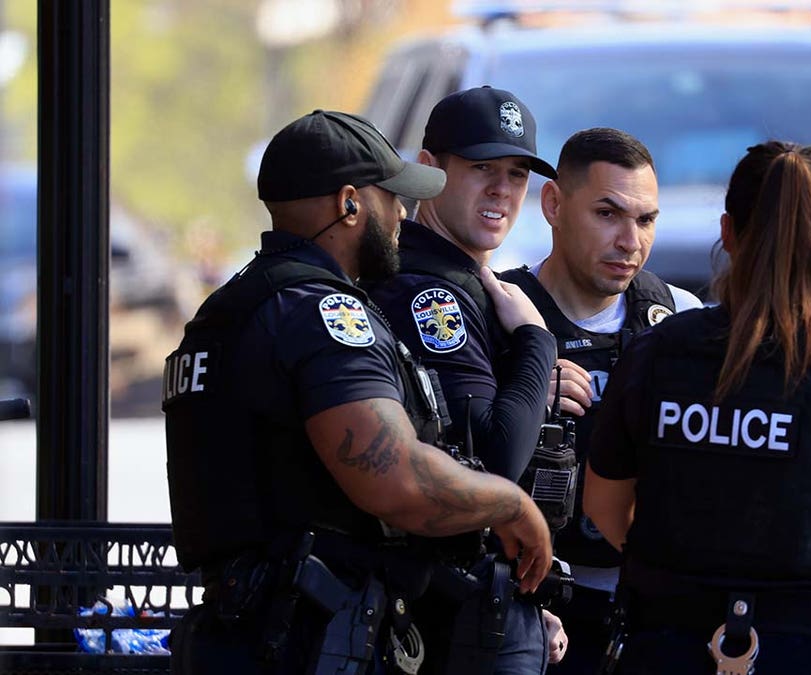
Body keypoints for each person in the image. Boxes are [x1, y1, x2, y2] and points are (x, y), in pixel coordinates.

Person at [162, 109, 552, 674]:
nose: (401, 213)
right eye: (390, 197)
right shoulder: (322, 312)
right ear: (349, 204)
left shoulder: (229, 309)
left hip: (245, 629)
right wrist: (511, 503)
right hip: (301, 638)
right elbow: (397, 481)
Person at [582, 141, 811, 674]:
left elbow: (604, 505)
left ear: (727, 232)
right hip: (804, 650)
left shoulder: (659, 349)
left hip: (665, 645)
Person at [365, 86, 566, 673]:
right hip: (444, 605)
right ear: (429, 171)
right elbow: (494, 458)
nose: (502, 190)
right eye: (481, 168)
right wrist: (536, 346)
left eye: (517, 173)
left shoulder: (471, 280)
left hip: (474, 591)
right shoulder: (431, 290)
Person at [497, 127, 702, 674]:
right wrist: (520, 392)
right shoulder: (497, 314)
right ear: (554, 205)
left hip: (653, 605)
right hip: (530, 604)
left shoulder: (680, 317)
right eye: (608, 214)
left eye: (645, 220)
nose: (630, 242)